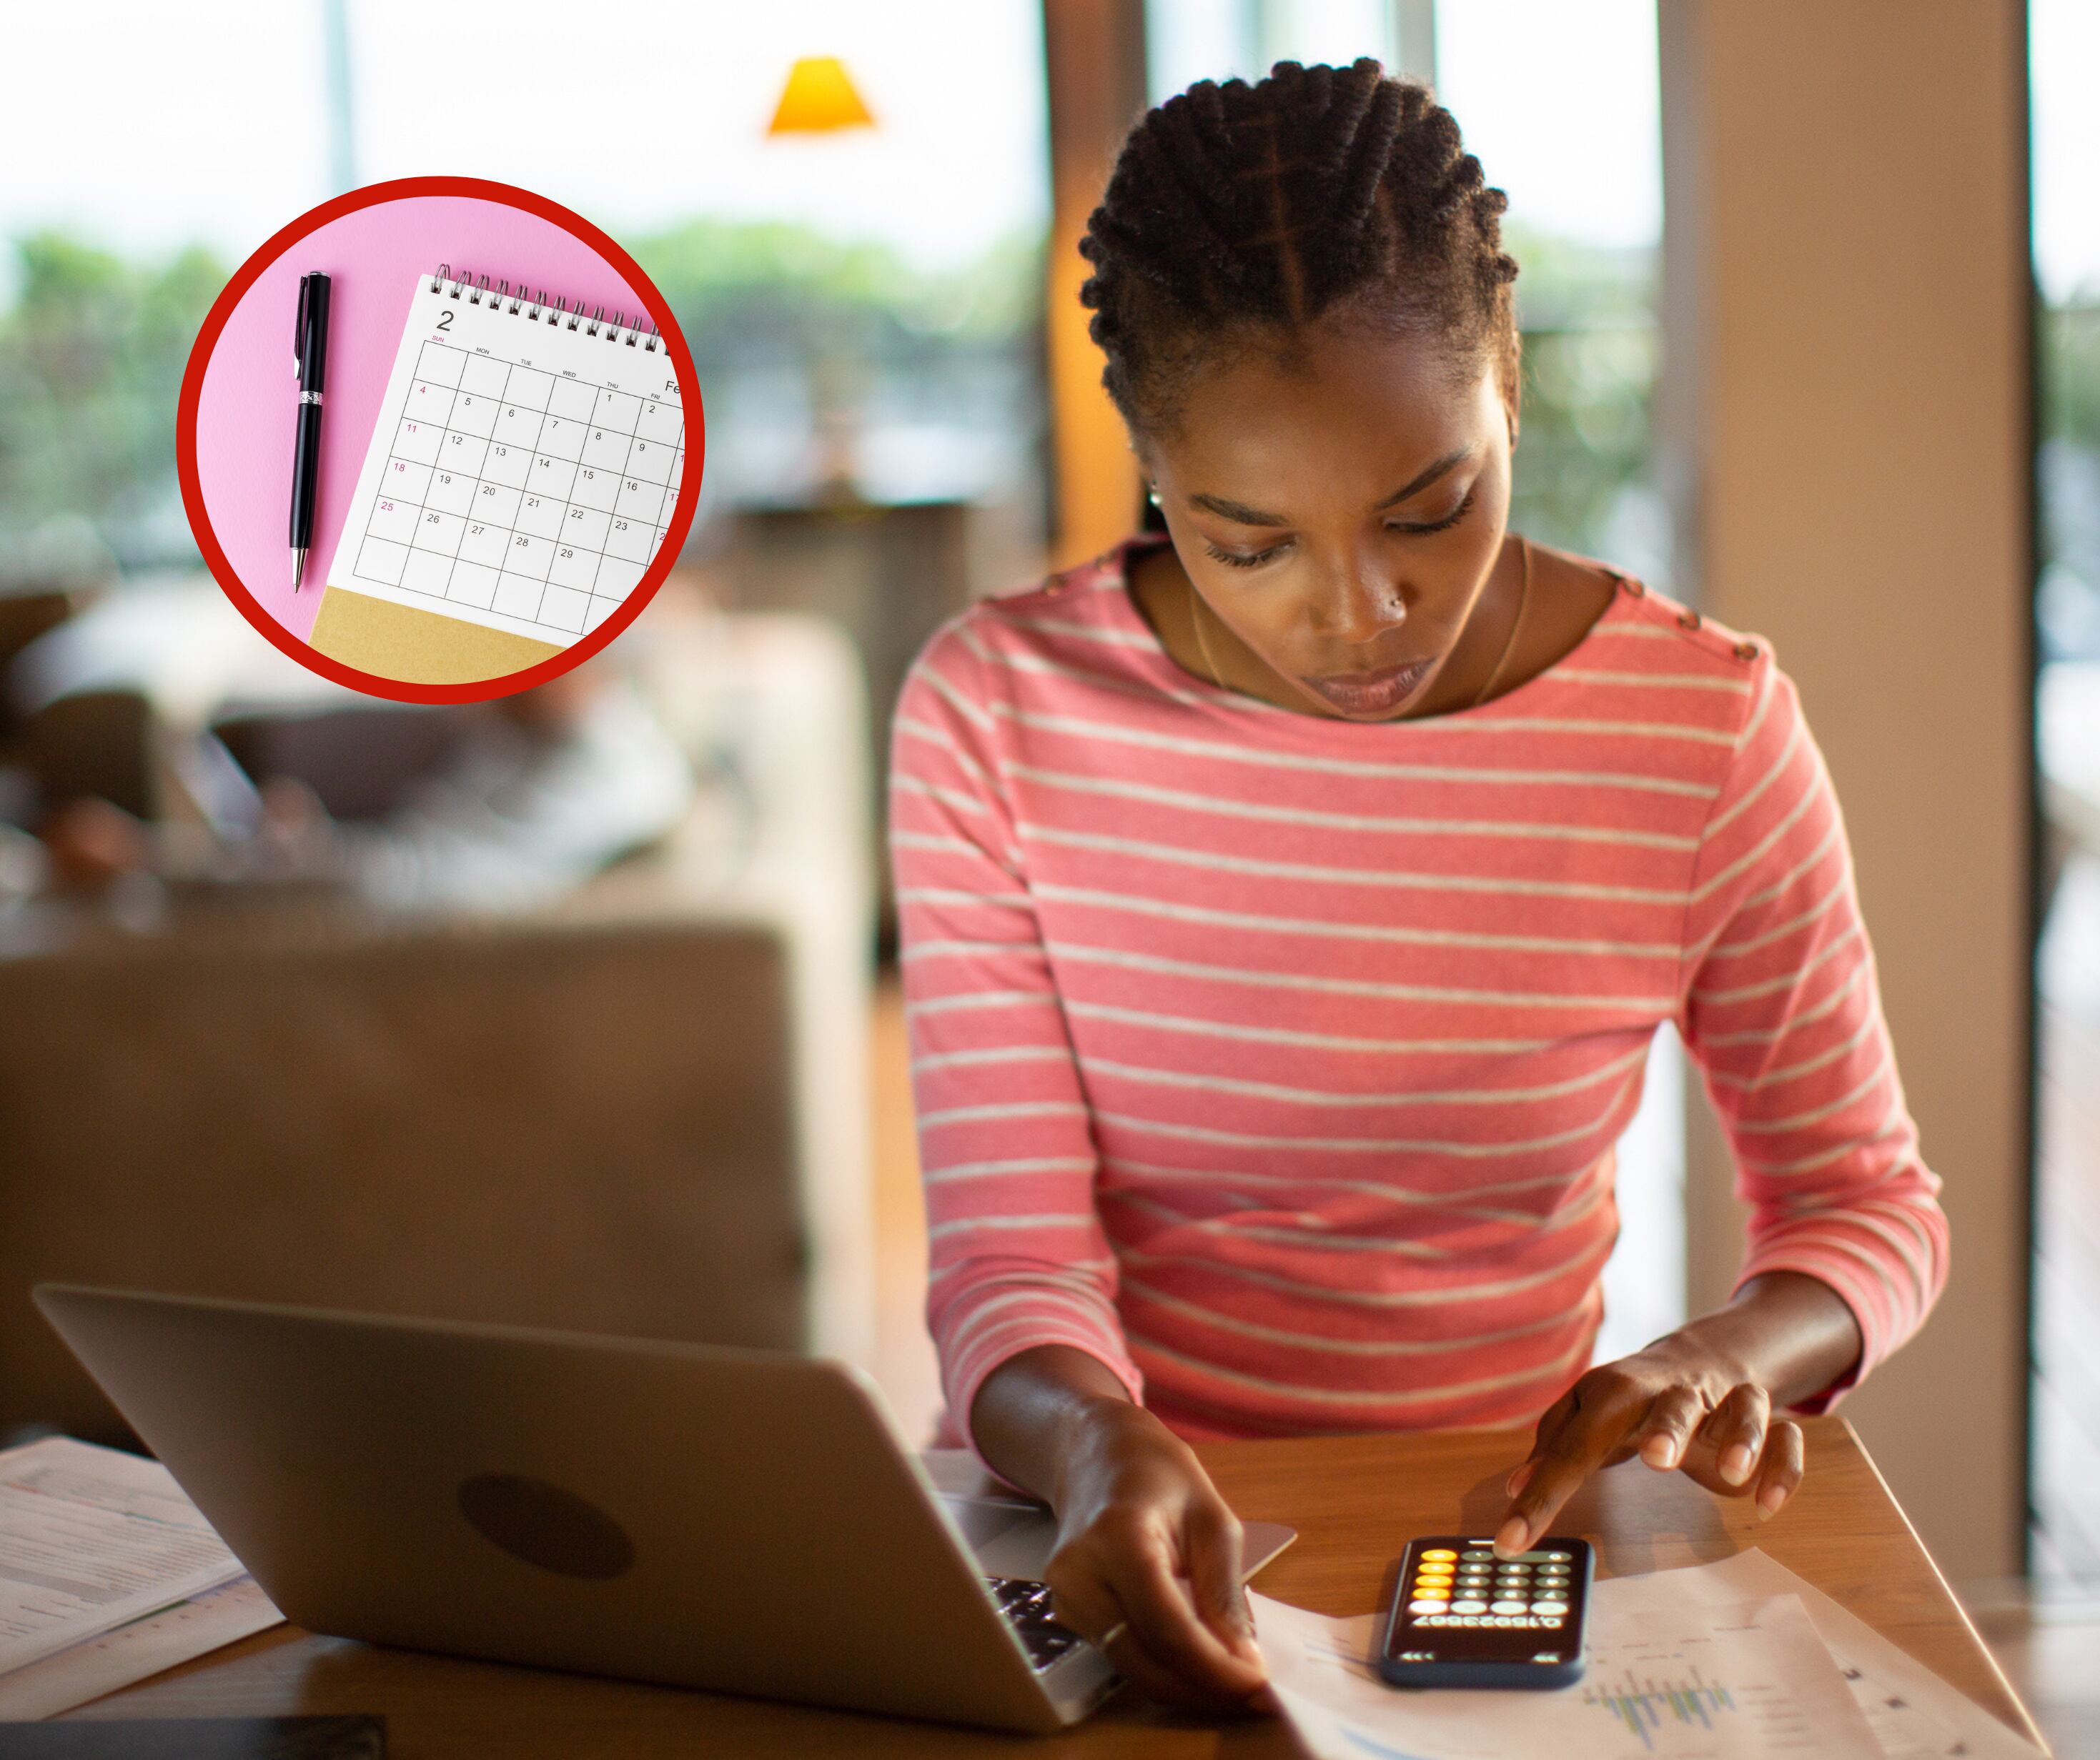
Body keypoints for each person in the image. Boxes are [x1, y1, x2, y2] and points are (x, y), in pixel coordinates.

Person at [887, 59, 1950, 1714]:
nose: (1362, 611)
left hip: (1471, 1542)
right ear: (1151, 467)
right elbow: (1005, 1259)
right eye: (1247, 542)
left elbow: (1862, 1204)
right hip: (1087, 1529)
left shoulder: (1697, 726)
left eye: (1429, 507)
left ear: (1507, 386)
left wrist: (1715, 1355)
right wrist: (1097, 1443)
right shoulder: (993, 710)